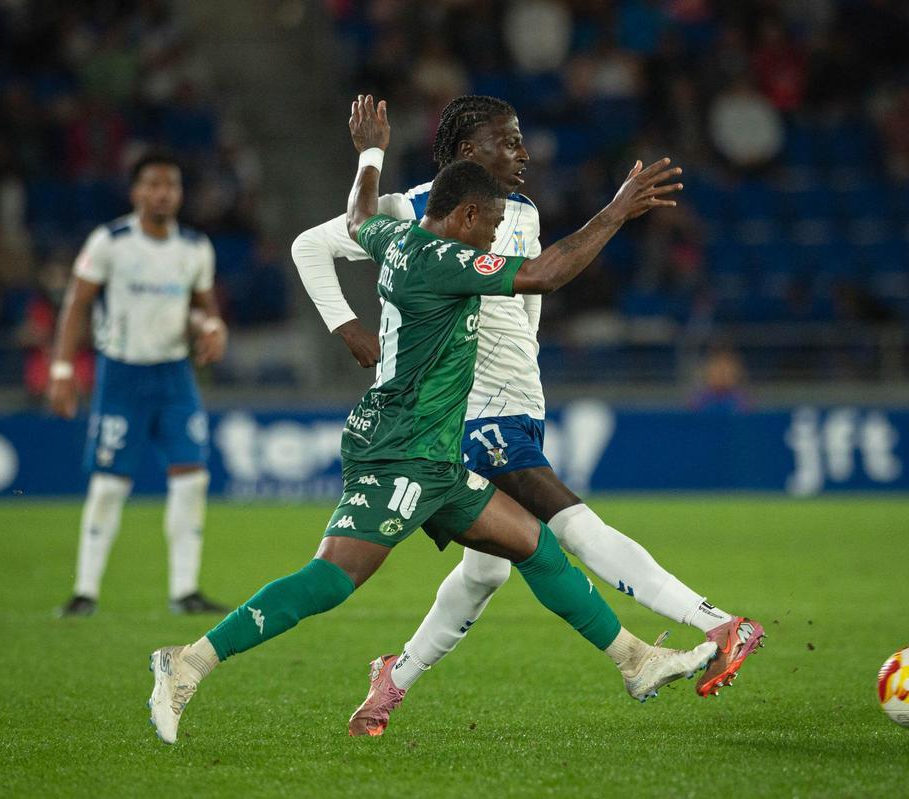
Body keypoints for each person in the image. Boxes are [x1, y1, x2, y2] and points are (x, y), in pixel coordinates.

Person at [146, 95, 717, 745]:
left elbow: (360, 214)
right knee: (331, 579)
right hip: (402, 448)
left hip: (436, 451)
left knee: (531, 544)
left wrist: (370, 152)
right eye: (492, 224)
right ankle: (187, 661)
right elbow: (547, 273)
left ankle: (636, 660)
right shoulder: (443, 263)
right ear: (467, 214)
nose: (495, 234)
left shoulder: (396, 233)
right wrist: (617, 210)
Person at [291, 94, 765, 737]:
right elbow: (311, 246)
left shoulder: (521, 211)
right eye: (507, 142)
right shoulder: (416, 208)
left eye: (521, 141)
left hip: (518, 398)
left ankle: (391, 682)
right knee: (567, 519)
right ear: (466, 153)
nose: (524, 153)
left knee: (486, 568)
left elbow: (525, 305)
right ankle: (714, 622)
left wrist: (527, 367)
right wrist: (348, 326)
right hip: (471, 408)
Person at [49, 150, 230, 617]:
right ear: (136, 192)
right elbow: (77, 303)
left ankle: (185, 590)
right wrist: (63, 369)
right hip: (121, 374)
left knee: (192, 479)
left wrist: (212, 327)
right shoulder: (111, 242)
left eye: (171, 184)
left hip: (174, 376)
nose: (162, 192)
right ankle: (85, 591)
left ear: (180, 193)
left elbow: (203, 308)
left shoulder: (194, 246)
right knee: (110, 485)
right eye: (152, 184)